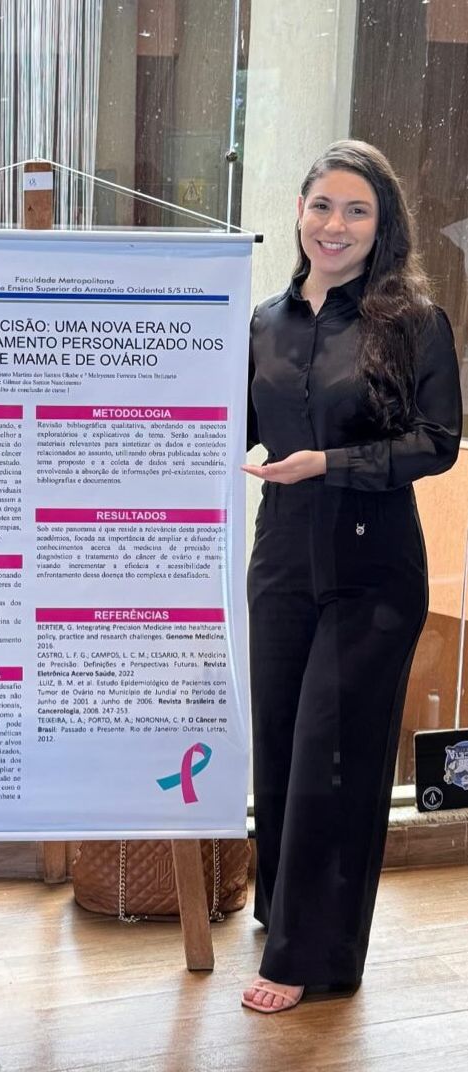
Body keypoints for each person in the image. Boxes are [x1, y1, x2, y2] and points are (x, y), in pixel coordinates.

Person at [241, 140, 462, 1013]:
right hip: (280, 557)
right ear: (298, 212)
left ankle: (310, 956)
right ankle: (281, 914)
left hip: (372, 567)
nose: (334, 225)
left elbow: (435, 444)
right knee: (277, 743)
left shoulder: (412, 322)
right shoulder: (262, 322)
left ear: (381, 224)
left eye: (355, 210)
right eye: (322, 206)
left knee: (332, 757)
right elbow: (228, 425)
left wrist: (327, 463)